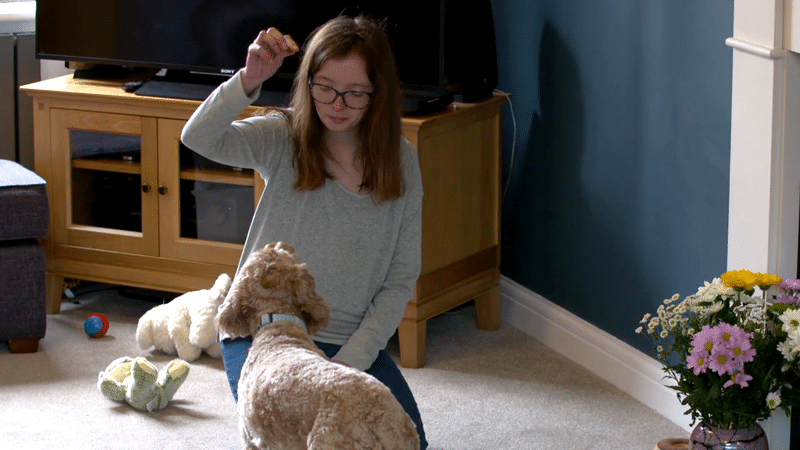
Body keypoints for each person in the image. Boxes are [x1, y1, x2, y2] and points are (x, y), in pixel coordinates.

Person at [181, 14, 428, 448]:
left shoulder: (403, 162)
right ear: (309, 82)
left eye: (355, 94)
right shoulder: (282, 136)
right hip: (265, 332)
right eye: (325, 88)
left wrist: (352, 361)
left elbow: (399, 280)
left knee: (408, 441)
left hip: (349, 342)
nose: (337, 104)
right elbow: (198, 136)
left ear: (378, 95)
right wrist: (248, 78)